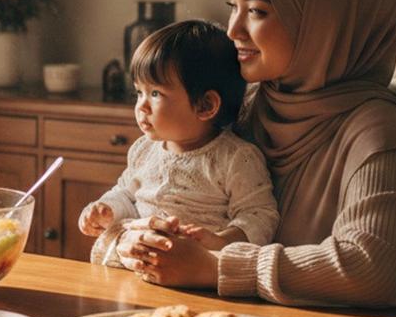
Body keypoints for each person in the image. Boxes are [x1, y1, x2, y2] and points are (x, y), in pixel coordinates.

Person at [121, 0, 396, 309]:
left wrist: (216, 267)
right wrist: (143, 241)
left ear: (323, 22)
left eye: (256, 11)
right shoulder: (249, 104)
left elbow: (370, 268)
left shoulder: (375, 127)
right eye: (232, 7)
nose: (233, 30)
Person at [79, 20, 279, 268]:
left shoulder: (236, 158)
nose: (141, 106)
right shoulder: (143, 150)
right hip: (141, 264)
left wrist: (220, 241)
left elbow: (260, 216)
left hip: (197, 271)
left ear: (206, 106)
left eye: (155, 94)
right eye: (138, 92)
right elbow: (127, 194)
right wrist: (107, 209)